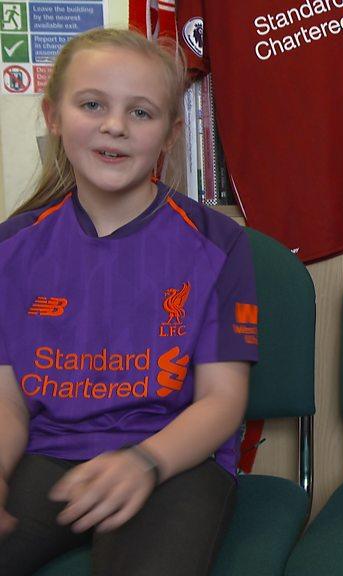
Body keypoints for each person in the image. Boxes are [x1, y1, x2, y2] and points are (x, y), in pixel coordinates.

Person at [0, 28, 258, 576]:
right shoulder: (11, 247)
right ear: (53, 115)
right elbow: (8, 400)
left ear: (169, 133)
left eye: (141, 113)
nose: (114, 125)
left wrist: (145, 461)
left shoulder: (218, 243)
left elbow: (222, 401)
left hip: (175, 460)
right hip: (48, 457)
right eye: (92, 104)